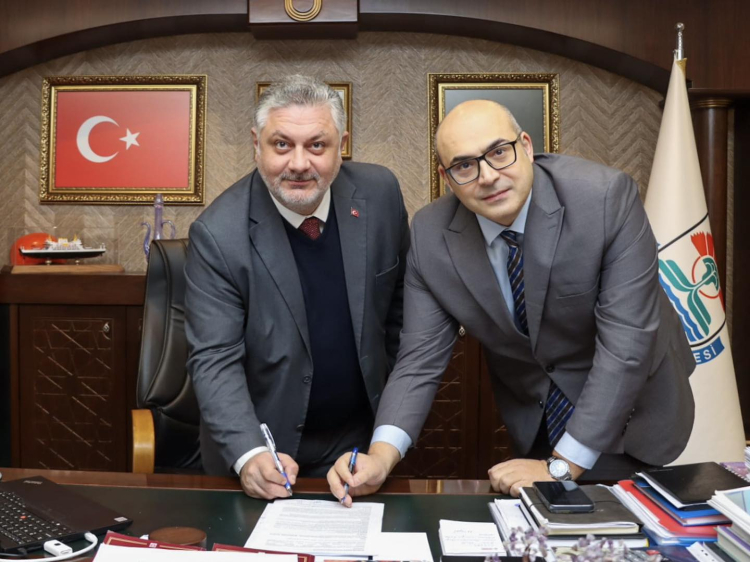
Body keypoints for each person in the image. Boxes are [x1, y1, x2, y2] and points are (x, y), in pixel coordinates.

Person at [328, 100, 696, 503]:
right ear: (446, 178)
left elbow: (626, 343)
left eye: (499, 152)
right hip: (538, 420)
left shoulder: (605, 198)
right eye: (464, 166)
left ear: (526, 145)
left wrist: (560, 467)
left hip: (637, 413)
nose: (488, 176)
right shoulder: (432, 235)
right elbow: (419, 360)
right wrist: (381, 457)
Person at [185, 75, 409, 499]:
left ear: (342, 146)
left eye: (317, 145)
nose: (300, 163)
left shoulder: (380, 196)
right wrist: (249, 453)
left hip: (362, 448)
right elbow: (214, 359)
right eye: (282, 144)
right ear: (257, 145)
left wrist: (388, 435)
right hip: (266, 450)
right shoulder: (217, 234)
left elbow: (401, 320)